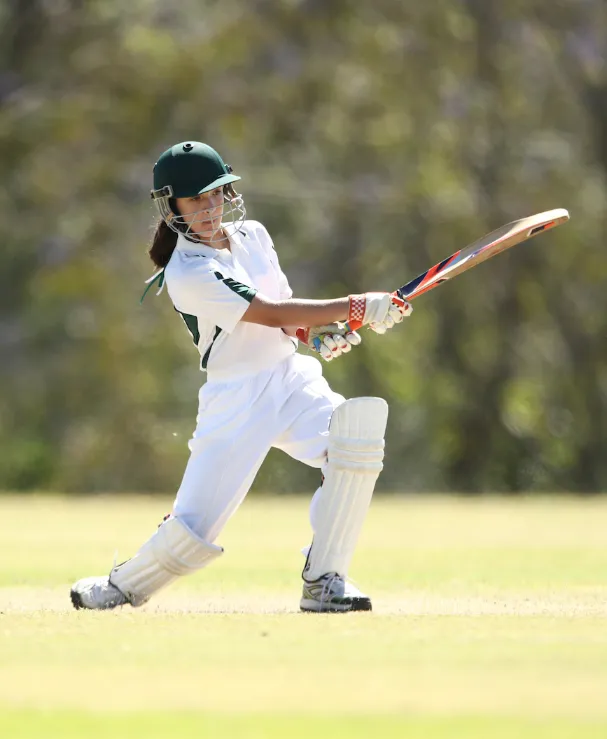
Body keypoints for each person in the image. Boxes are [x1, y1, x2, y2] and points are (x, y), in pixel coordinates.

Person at [70, 141, 412, 613]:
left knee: (356, 442)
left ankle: (324, 581)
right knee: (193, 533)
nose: (209, 208)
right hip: (236, 399)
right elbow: (266, 312)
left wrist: (315, 338)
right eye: (195, 200)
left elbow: (285, 313)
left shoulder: (253, 235)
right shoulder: (187, 271)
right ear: (172, 208)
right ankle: (122, 586)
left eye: (215, 194)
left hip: (290, 379)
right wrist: (357, 305)